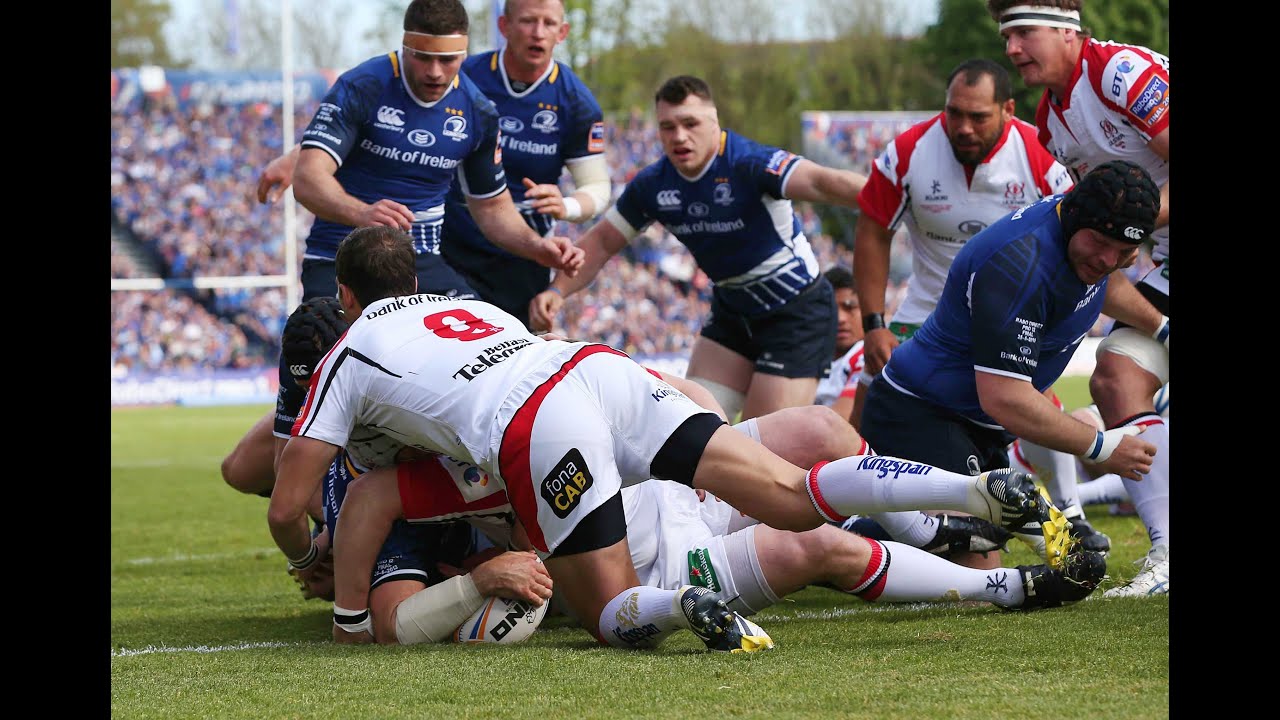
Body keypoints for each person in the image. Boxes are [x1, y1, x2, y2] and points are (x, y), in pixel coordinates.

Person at [269, 225, 1058, 654]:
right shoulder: (469, 311)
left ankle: (677, 607)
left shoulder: (353, 369)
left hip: (543, 426)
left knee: (609, 609)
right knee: (793, 495)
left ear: (345, 296)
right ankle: (965, 493)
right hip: (594, 368)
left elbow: (292, 500)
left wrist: (325, 585)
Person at [224, 0, 588, 514]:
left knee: (494, 351)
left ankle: (484, 505)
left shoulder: (477, 110)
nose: (436, 72)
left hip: (421, 263)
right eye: (422, 57)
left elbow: (492, 209)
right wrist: (363, 213)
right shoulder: (364, 85)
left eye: (448, 60)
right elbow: (309, 179)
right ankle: (323, 509)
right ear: (404, 46)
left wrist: (538, 245)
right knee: (328, 377)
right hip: (342, 261)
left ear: (464, 53)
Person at [859, 160, 1164, 597]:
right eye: (1100, 243)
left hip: (975, 423)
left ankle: (879, 513)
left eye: (1125, 251)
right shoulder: (1018, 263)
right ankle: (847, 524)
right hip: (921, 413)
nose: (1108, 260)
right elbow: (1005, 397)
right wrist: (1100, 446)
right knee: (971, 568)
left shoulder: (1089, 238)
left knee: (988, 542)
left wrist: (1160, 328)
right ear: (1074, 217)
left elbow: (1103, 280)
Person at [846, 58, 1090, 568]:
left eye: (978, 117)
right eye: (953, 113)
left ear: (1008, 109)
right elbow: (872, 230)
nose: (962, 127)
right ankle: (846, 507)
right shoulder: (908, 152)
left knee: (1032, 402)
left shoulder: (1042, 156)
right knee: (867, 406)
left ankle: (1070, 511)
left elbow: (1076, 244)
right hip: (925, 314)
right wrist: (874, 323)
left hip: (1005, 316)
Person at [529, 75, 870, 421]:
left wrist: (889, 194)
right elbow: (602, 241)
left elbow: (820, 182)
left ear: (714, 121)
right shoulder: (653, 185)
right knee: (691, 426)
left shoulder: (749, 162)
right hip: (733, 310)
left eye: (690, 123)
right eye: (667, 127)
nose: (679, 136)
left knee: (765, 440)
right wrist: (558, 290)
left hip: (795, 313)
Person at [986, 0, 1170, 598]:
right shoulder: (1051, 121)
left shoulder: (1121, 73)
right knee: (1117, 378)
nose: (1012, 49)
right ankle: (1167, 553)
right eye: (1005, 35)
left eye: (1023, 32)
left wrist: (1124, 226)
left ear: (1066, 29)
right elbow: (1099, 244)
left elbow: (1115, 227)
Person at [441, 0, 612, 329]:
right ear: (504, 26)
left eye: (549, 24)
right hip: (453, 245)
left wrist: (567, 205)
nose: (538, 32)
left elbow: (598, 187)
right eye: (528, 21)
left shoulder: (577, 102)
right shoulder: (464, 78)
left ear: (562, 33)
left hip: (524, 256)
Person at [813, 266, 865, 423]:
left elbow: (836, 423)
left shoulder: (866, 356)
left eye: (849, 307)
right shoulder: (809, 354)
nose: (840, 318)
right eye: (832, 309)